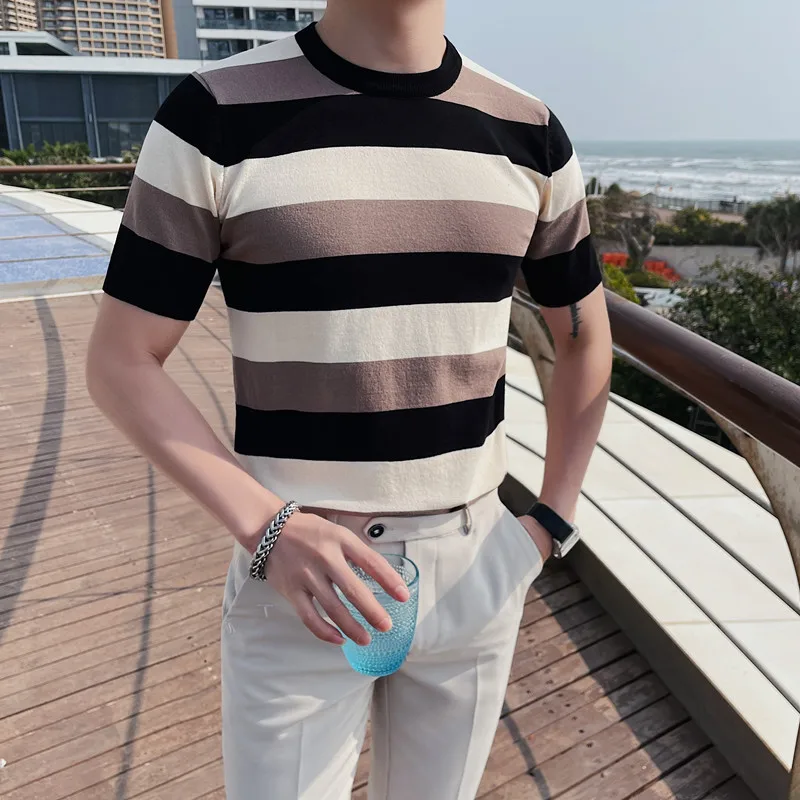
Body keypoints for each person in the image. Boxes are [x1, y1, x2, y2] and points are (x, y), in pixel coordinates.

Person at [86, 0, 612, 796]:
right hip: (296, 569)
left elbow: (584, 339)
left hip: (475, 565)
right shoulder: (216, 113)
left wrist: (549, 524)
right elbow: (120, 360)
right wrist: (268, 528)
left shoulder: (529, 131)